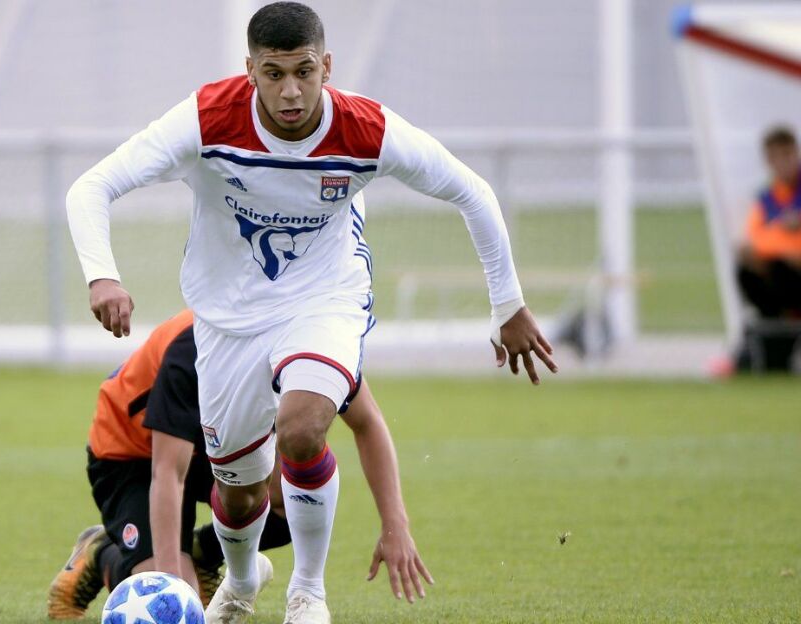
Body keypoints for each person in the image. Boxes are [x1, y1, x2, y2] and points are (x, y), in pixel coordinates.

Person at [66, 4, 557, 622]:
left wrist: (507, 303)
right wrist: (102, 274)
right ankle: (241, 579)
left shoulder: (365, 129)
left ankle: (308, 592)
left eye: (304, 71)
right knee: (238, 493)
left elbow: (471, 192)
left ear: (327, 66)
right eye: (274, 74)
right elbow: (91, 187)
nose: (291, 91)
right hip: (227, 322)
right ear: (250, 71)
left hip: (325, 301)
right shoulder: (206, 119)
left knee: (301, 428)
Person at [46, 309, 431, 619]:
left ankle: (202, 553)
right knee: (167, 601)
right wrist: (173, 587)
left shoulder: (309, 337)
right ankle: (101, 554)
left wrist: (395, 525)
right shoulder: (193, 348)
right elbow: (167, 473)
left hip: (213, 446)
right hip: (133, 454)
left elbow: (368, 423)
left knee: (295, 501)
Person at [734, 126, 801, 371]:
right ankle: (773, 340)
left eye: (787, 155)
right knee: (748, 269)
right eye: (775, 157)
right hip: (780, 273)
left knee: (780, 268)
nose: (782, 163)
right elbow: (752, 241)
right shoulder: (767, 197)